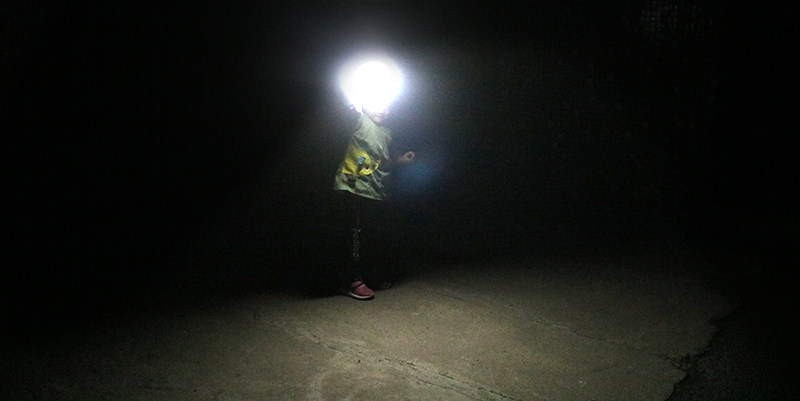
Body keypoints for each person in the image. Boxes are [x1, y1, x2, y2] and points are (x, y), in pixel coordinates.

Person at [332, 104, 415, 300]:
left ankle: (370, 275)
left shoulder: (387, 131)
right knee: (355, 235)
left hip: (378, 191)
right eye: (375, 104)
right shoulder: (359, 119)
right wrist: (351, 101)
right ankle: (351, 280)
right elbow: (344, 107)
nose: (381, 109)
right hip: (354, 187)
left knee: (373, 235)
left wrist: (402, 159)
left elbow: (386, 156)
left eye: (386, 106)